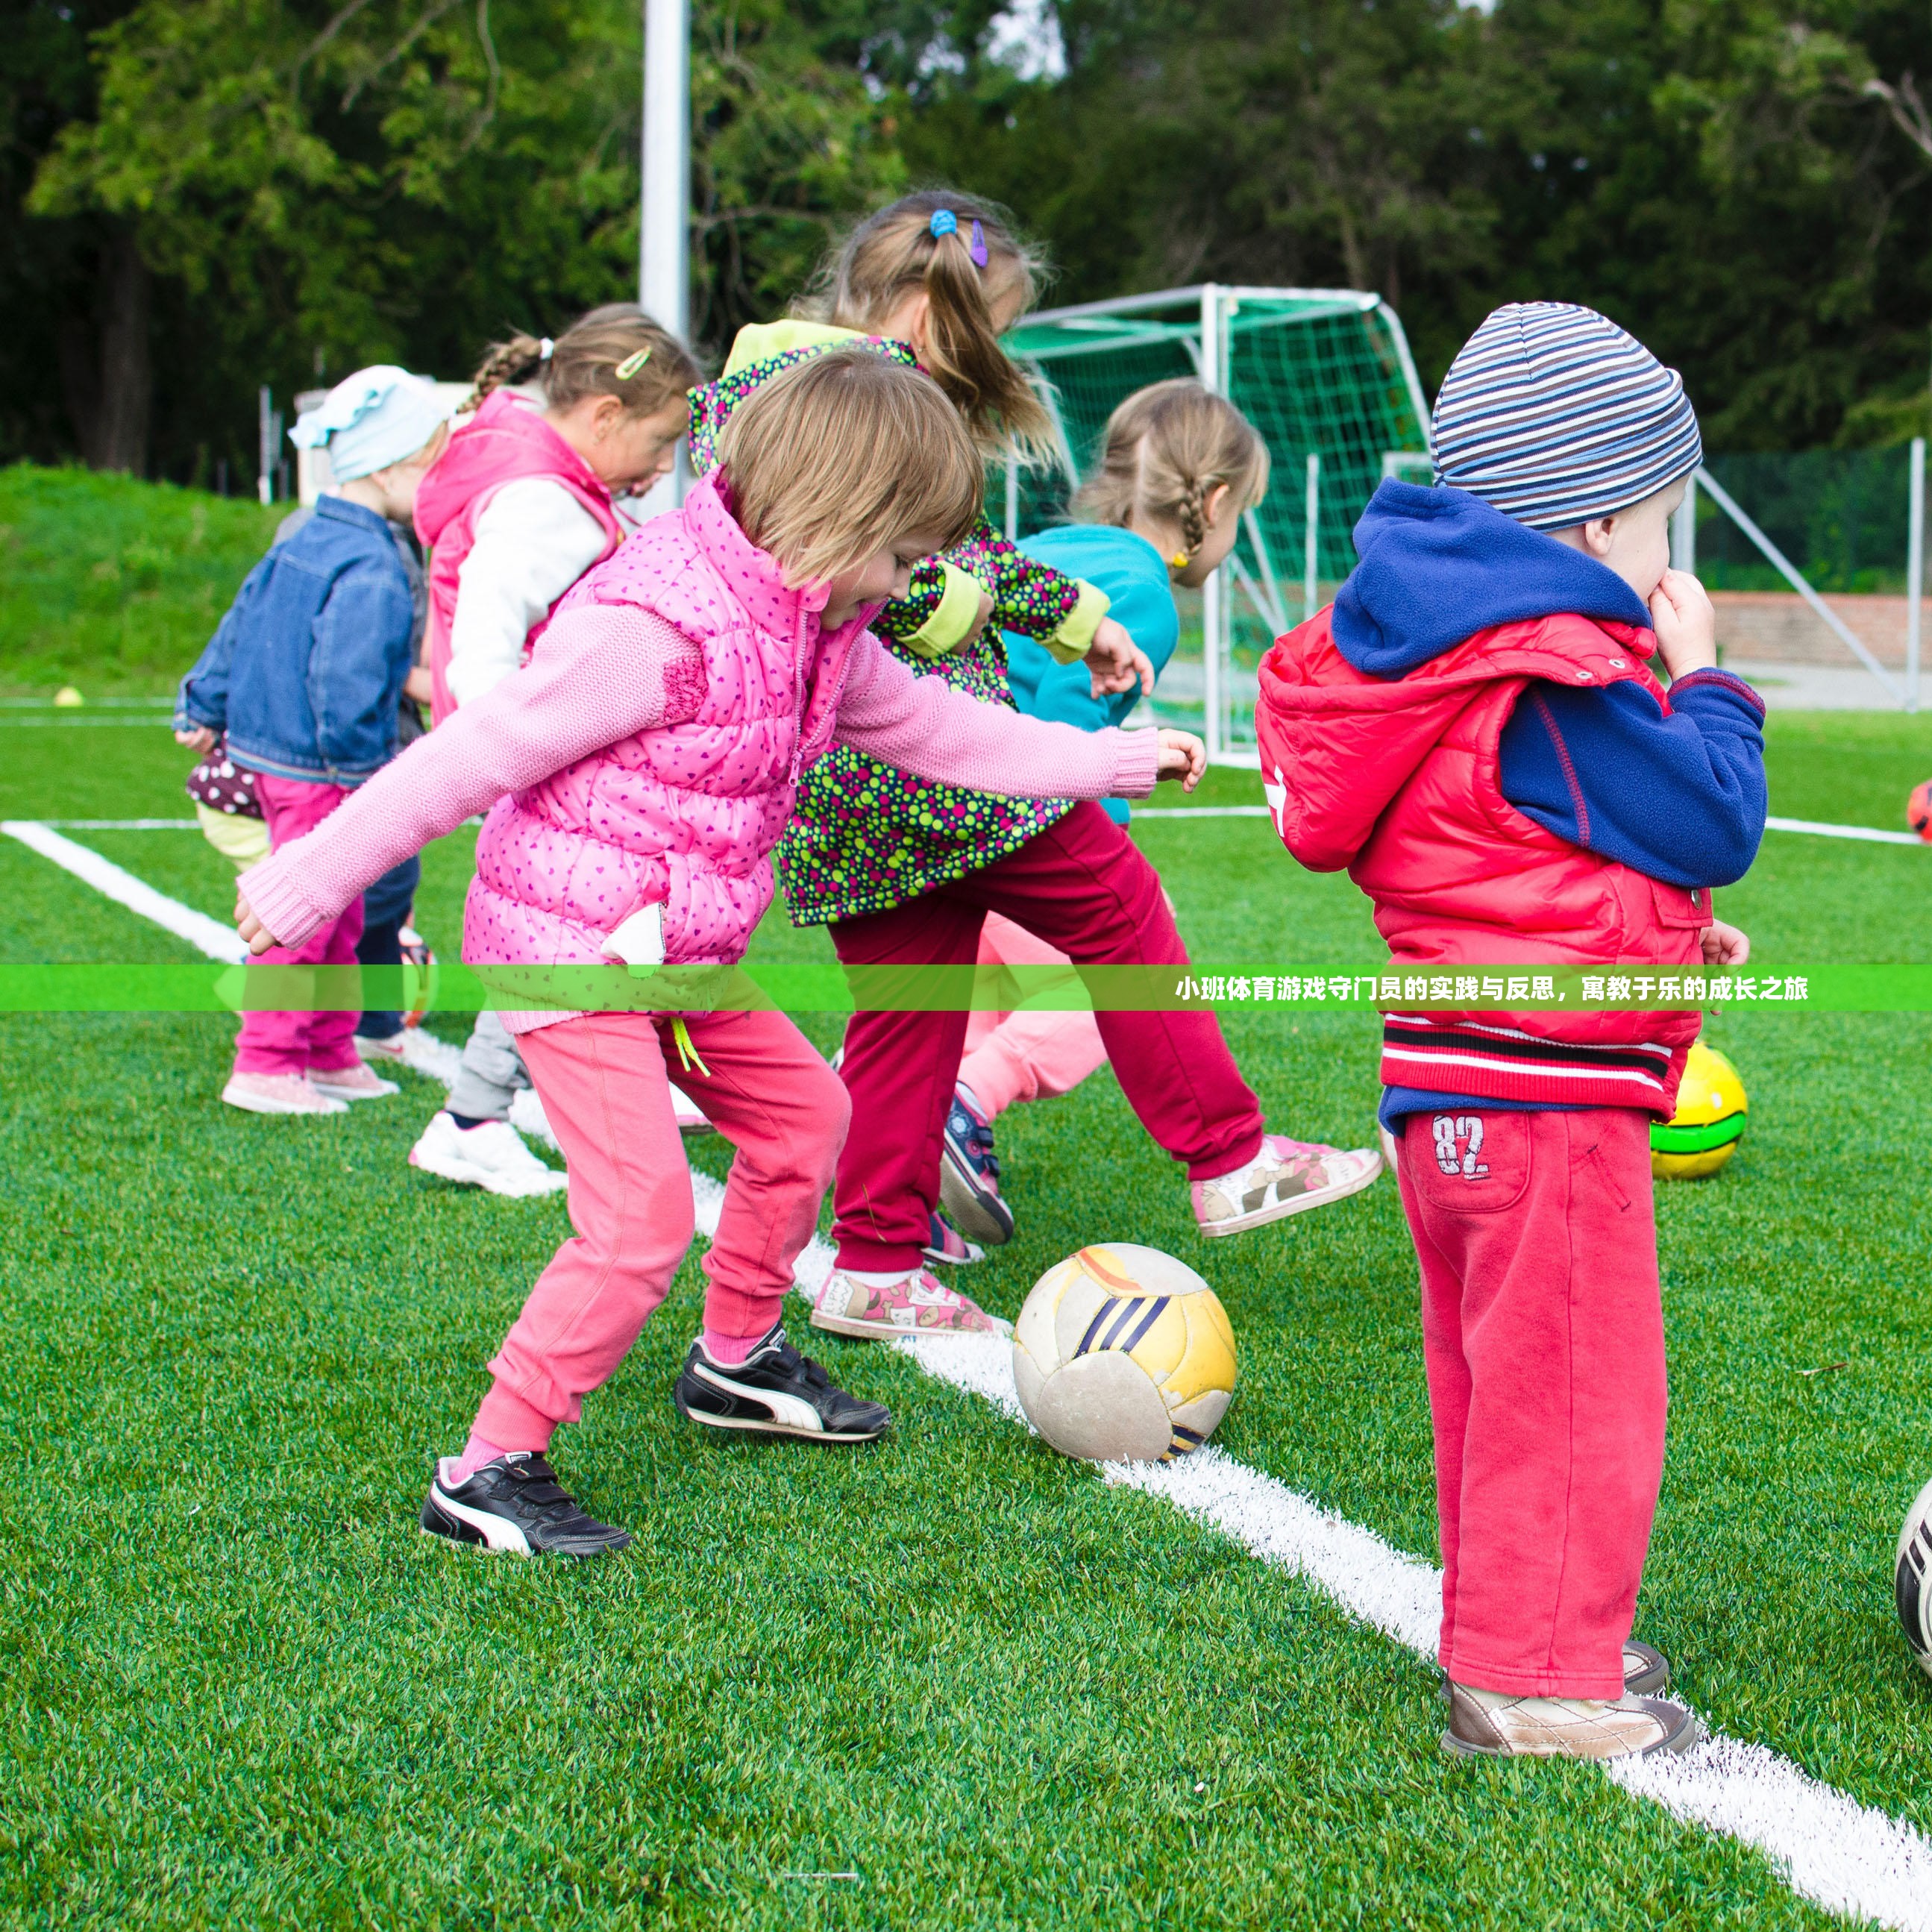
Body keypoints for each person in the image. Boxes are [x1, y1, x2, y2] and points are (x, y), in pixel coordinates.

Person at [230, 347, 1208, 1558]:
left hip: (678, 951)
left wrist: (1111, 759)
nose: (916, 583)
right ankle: (486, 1467)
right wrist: (308, 873)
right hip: (572, 951)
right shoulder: (653, 624)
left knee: (809, 1115)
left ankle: (736, 1359)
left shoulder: (821, 621)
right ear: (838, 515)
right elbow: (472, 753)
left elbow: (944, 732)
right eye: (907, 556)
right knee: (638, 1218)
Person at [689, 192, 1376, 1344]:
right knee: (1119, 903)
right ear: (921, 308)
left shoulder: (779, 386)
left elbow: (958, 550)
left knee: (911, 1015)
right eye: (983, 331)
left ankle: (874, 1263)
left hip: (847, 791)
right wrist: (976, 620)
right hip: (933, 765)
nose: (987, 361)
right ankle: (1229, 1156)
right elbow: (880, 576)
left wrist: (1078, 620)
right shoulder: (840, 400)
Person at [1257, 302, 1769, 1760]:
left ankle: (1522, 1620)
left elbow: (1510, 854)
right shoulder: (1551, 668)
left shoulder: (1439, 655)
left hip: (1451, 1082)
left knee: (1495, 1378)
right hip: (1541, 1100)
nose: (1669, 558)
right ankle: (1533, 1674)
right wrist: (1708, 677)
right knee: (1573, 1379)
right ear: (1598, 516)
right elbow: (1710, 814)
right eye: (1663, 520)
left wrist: (1659, 934)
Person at [932, 379, 1265, 1252]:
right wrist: (1099, 857)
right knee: (1088, 998)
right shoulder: (1142, 596)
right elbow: (1061, 735)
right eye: (1244, 514)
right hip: (1005, 822)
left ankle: (894, 1150)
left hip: (929, 810)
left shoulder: (1046, 547)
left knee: (957, 1006)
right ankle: (964, 1106)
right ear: (1216, 503)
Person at [403, 304, 706, 1199]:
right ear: (604, 418)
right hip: (541, 762)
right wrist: (517, 752)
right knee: (581, 935)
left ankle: (498, 1106)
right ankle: (472, 1115)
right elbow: (487, 645)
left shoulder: (547, 480)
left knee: (593, 930)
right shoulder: (545, 505)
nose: (661, 473)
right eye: (658, 445)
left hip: (541, 755)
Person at [175, 366, 448, 1117]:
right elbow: (346, 676)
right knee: (305, 914)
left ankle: (328, 1051)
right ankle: (265, 1062)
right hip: (323, 768)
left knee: (345, 912)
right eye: (434, 464)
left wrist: (203, 699)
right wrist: (366, 776)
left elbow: (240, 617)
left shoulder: (308, 533)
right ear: (392, 467)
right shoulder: (373, 561)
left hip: (285, 755)